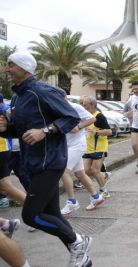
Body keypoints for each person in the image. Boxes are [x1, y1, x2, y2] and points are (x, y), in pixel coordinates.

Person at [1, 51, 92, 266]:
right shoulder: (17, 96)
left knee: (32, 216)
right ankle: (81, 256)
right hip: (33, 163)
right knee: (52, 215)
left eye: (10, 65)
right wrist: (5, 129)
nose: (6, 69)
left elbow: (71, 118)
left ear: (24, 68)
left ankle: (80, 241)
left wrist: (45, 130)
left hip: (50, 162)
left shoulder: (41, 91)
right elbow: (21, 130)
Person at [61, 92, 105, 215]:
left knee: (62, 171)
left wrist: (79, 127)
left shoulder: (75, 107)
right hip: (68, 145)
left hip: (77, 145)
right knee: (80, 173)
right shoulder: (57, 109)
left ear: (64, 98)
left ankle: (72, 202)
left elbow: (92, 118)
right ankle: (96, 197)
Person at [82, 96, 112, 199]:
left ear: (92, 105)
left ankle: (104, 190)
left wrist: (96, 132)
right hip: (88, 148)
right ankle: (104, 175)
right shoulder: (85, 117)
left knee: (95, 170)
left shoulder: (99, 116)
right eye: (83, 105)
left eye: (85, 105)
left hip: (99, 147)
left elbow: (109, 131)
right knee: (85, 170)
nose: (83, 106)